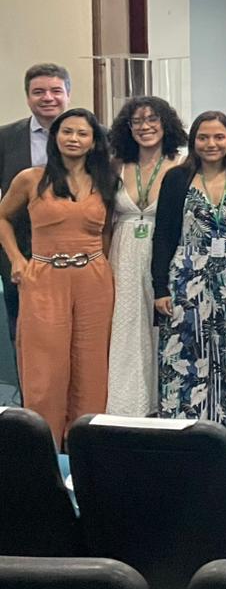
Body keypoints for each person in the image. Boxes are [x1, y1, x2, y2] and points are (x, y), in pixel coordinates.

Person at [0, 108, 114, 444]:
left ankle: (84, 446)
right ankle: (43, 446)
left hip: (94, 279)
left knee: (91, 366)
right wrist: (17, 260)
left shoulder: (106, 181)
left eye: (82, 133)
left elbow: (108, 231)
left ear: (94, 142)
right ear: (55, 138)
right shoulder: (30, 179)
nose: (73, 139)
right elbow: (2, 218)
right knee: (45, 368)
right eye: (67, 132)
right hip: (45, 277)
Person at [152, 111, 226, 458]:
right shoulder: (176, 178)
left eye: (218, 137)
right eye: (203, 137)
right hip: (186, 276)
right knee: (183, 357)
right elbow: (163, 234)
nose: (211, 144)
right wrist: (160, 288)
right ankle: (181, 447)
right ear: (193, 141)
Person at [105, 97, 185, 415]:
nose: (145, 126)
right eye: (137, 121)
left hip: (165, 252)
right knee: (125, 327)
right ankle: (126, 406)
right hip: (122, 254)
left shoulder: (182, 166)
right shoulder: (116, 166)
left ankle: (160, 404)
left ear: (166, 124)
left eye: (152, 119)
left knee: (162, 327)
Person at [0, 63, 72, 350]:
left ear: (68, 94)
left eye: (56, 90)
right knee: (24, 336)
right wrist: (14, 257)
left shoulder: (96, 135)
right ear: (28, 96)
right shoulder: (6, 138)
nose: (48, 98)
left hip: (77, 255)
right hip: (22, 253)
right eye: (38, 92)